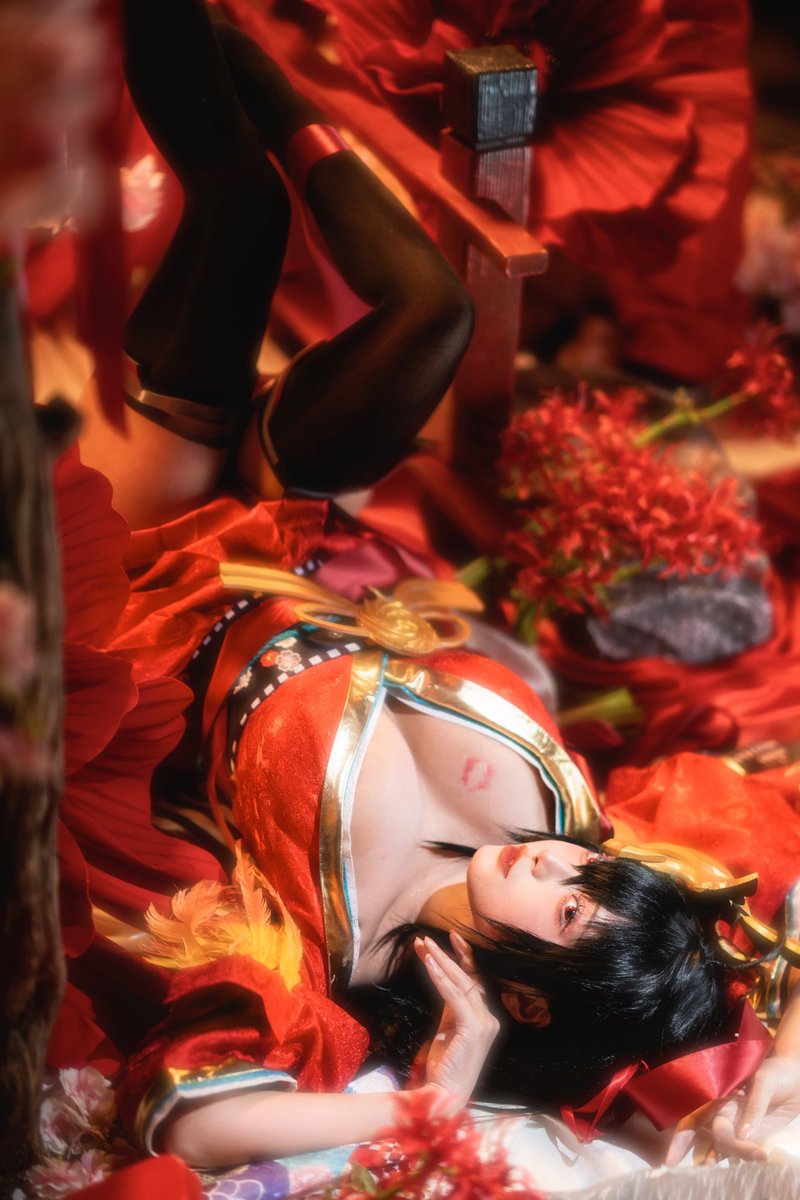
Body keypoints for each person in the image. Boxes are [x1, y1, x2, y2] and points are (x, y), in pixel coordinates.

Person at [69, 0, 800, 1174]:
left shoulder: (334, 953)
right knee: (433, 315)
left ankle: (196, 47)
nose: (558, 866)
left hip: (148, 569)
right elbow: (779, 868)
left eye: (570, 909)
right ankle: (263, 70)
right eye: (589, 878)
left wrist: (434, 1105)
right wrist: (786, 1056)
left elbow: (191, 1118)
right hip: (297, 530)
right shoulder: (569, 813)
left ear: (537, 998)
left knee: (237, 209)